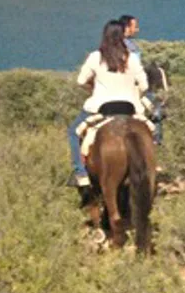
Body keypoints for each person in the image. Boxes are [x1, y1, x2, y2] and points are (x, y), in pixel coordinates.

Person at [68, 20, 149, 188]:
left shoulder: (95, 57)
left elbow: (80, 80)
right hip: (129, 106)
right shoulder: (132, 58)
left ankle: (81, 173)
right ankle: (150, 164)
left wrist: (92, 88)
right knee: (150, 132)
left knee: (74, 133)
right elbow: (144, 85)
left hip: (101, 107)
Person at [117, 14, 163, 145]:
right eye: (134, 26)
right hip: (132, 87)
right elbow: (135, 70)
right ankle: (156, 140)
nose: (137, 30)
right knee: (157, 106)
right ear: (127, 27)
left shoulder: (116, 44)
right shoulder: (129, 47)